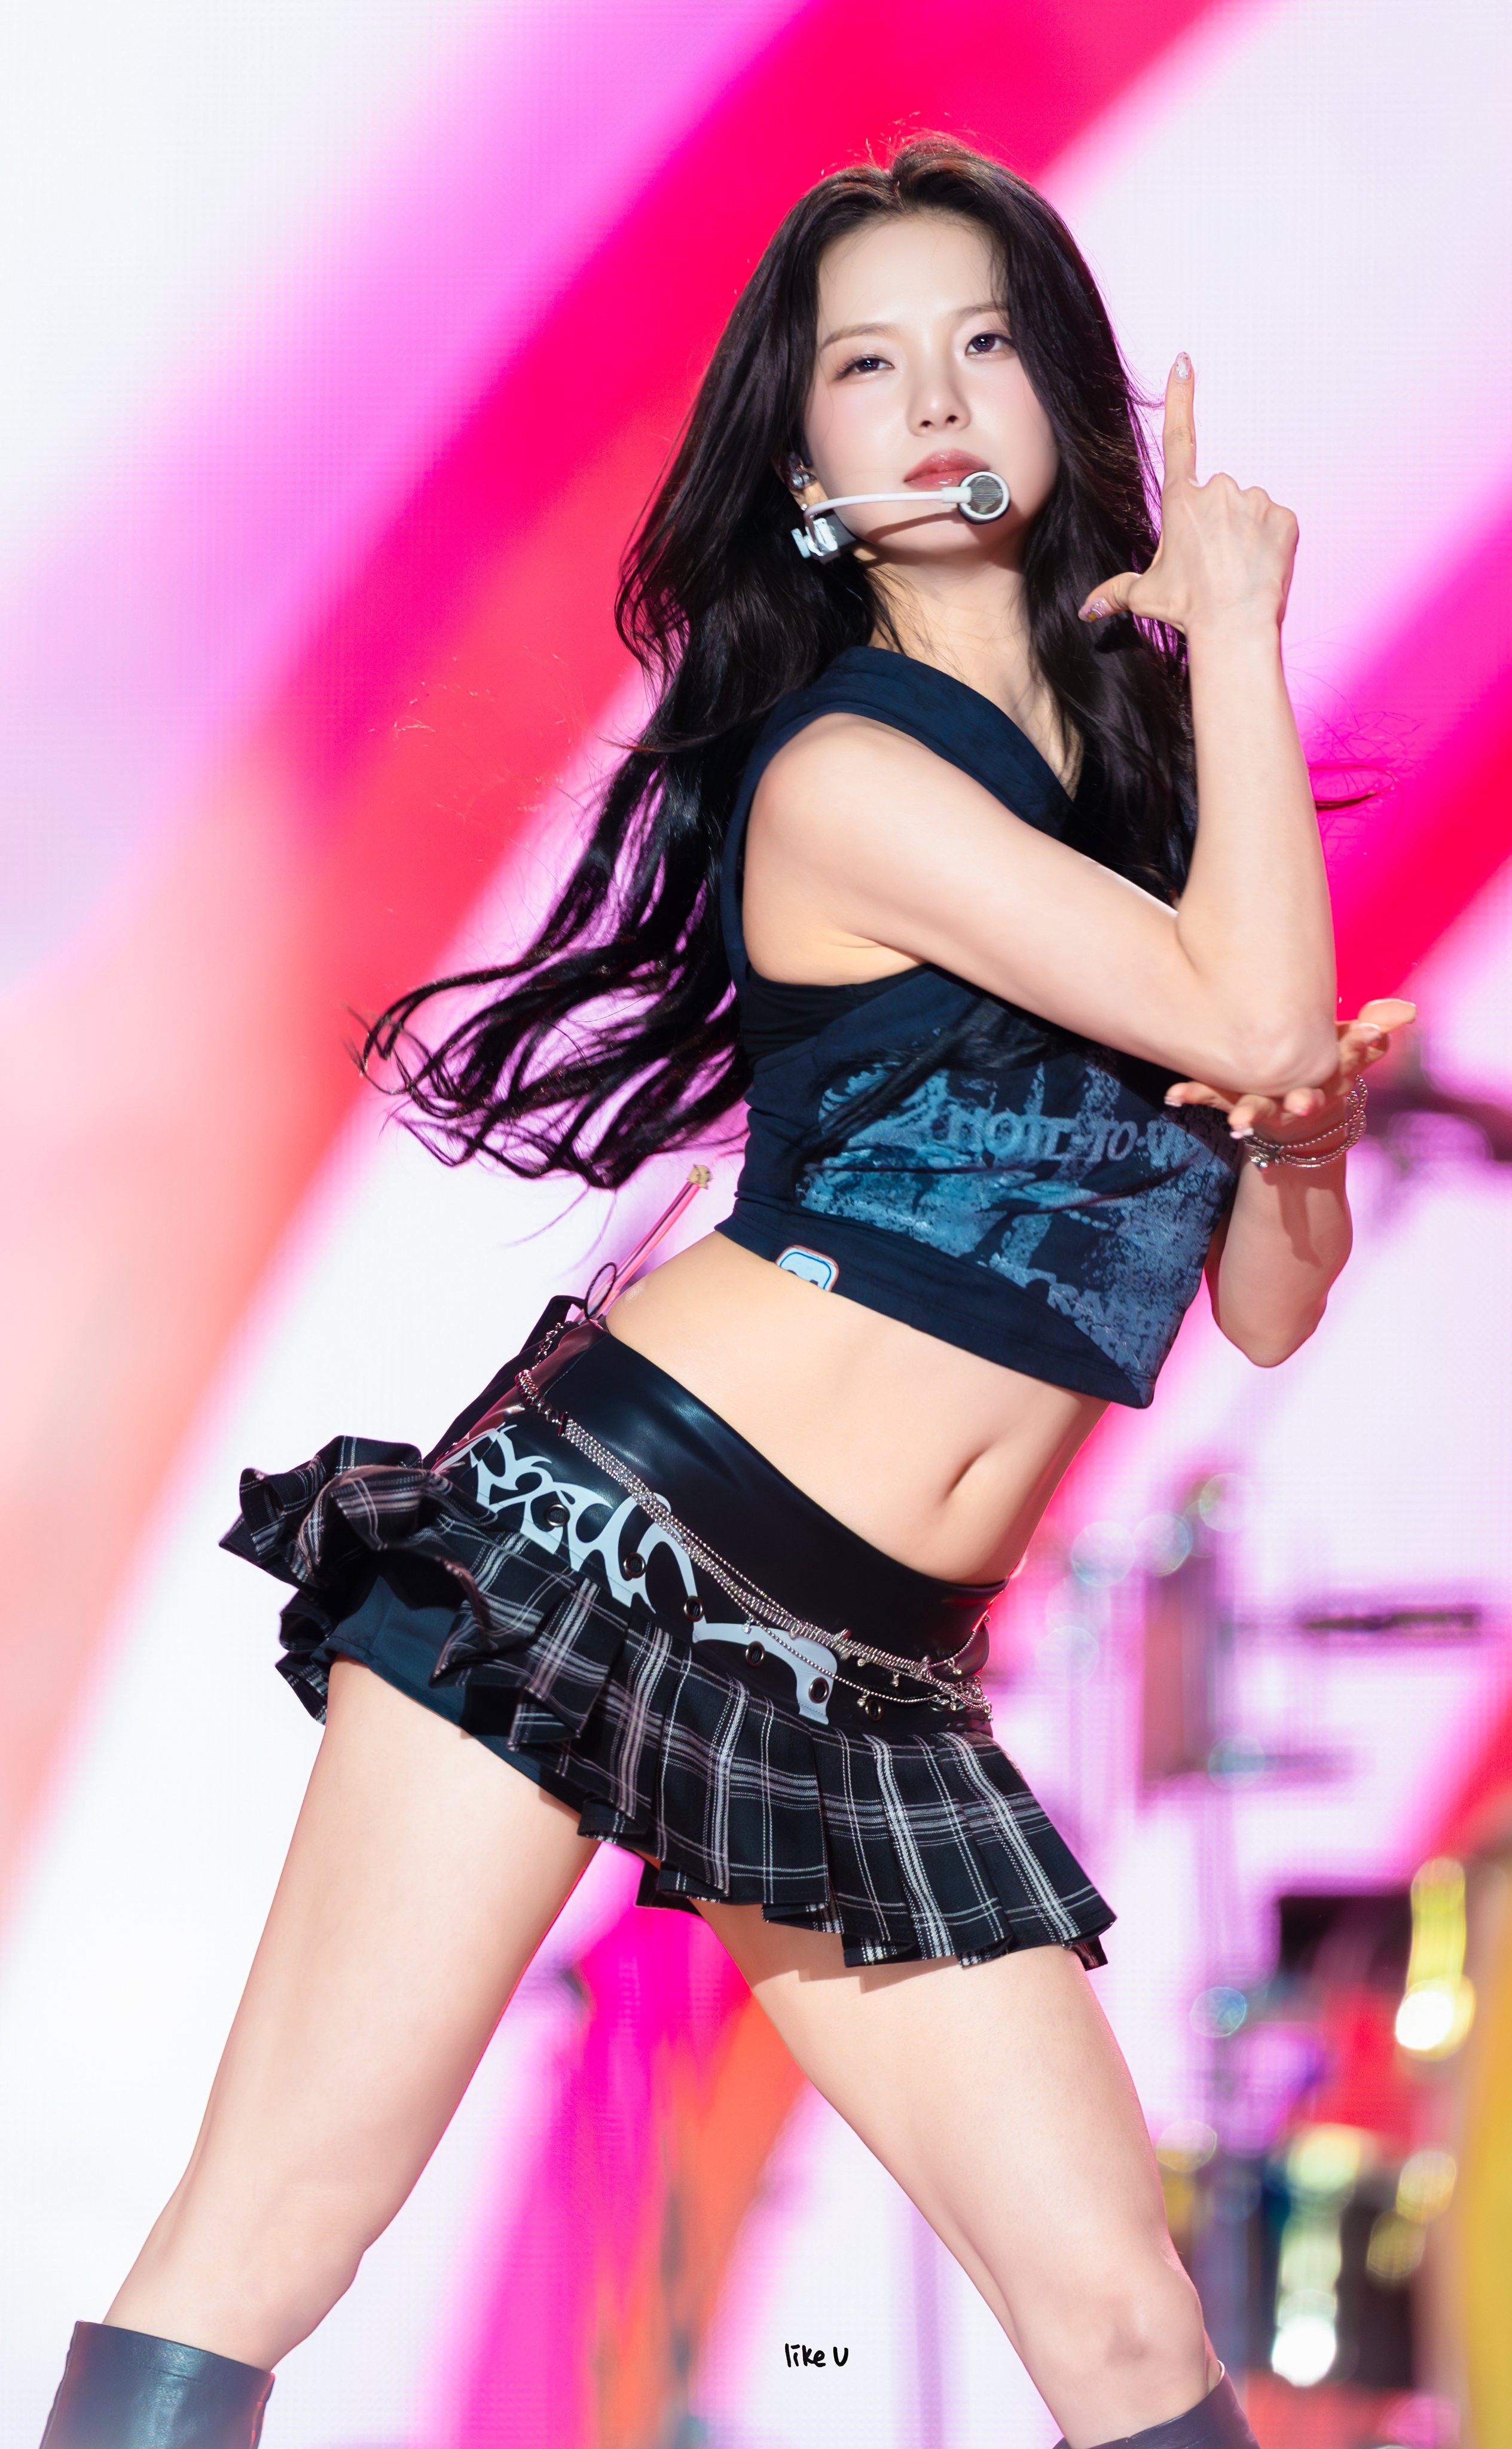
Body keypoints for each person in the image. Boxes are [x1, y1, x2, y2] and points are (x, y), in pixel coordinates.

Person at [38, 138, 1407, 2449]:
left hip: (876, 1677)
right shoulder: (848, 767)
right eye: (869, 366)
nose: (938, 398)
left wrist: (1297, 1126)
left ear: (1063, 397)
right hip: (610, 1553)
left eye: (985, 342)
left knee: (1123, 2333)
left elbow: (1265, 1293)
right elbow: (1255, 1017)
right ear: (804, 469)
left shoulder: (1162, 824)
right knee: (273, 2231)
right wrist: (1245, 634)